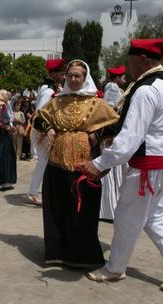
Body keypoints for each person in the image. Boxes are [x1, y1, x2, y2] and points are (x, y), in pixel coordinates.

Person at [83, 38, 163, 291]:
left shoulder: (146, 90)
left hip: (148, 167)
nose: (128, 66)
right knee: (154, 219)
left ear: (144, 59)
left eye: (131, 60)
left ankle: (114, 267)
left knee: (126, 218)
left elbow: (129, 139)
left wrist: (100, 162)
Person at [34, 60, 118, 268]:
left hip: (84, 165)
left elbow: (115, 123)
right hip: (57, 163)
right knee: (58, 208)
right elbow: (38, 119)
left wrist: (96, 135)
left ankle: (82, 256)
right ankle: (57, 253)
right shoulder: (56, 101)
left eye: (77, 76)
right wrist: (49, 128)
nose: (72, 79)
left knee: (82, 211)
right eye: (70, 75)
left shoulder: (96, 103)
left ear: (84, 77)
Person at [26, 59, 65, 204]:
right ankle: (33, 192)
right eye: (61, 73)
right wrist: (46, 130)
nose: (63, 76)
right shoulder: (48, 91)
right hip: (44, 131)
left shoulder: (50, 88)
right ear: (54, 74)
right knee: (43, 161)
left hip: (47, 130)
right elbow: (40, 112)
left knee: (45, 161)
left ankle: (37, 190)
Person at [99, 65, 127, 221]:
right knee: (110, 170)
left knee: (115, 170)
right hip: (111, 135)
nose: (125, 79)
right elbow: (110, 111)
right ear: (117, 78)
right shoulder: (112, 87)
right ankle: (107, 210)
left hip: (115, 134)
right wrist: (111, 131)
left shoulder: (118, 89)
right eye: (123, 77)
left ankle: (112, 208)